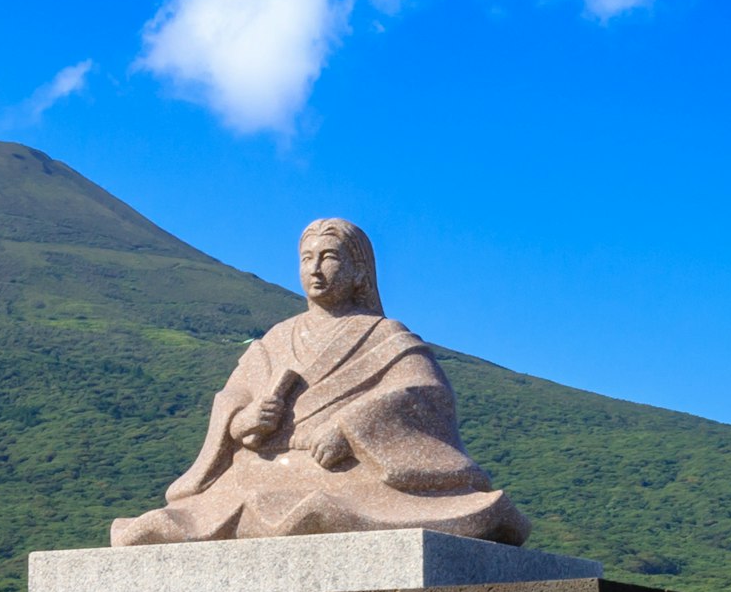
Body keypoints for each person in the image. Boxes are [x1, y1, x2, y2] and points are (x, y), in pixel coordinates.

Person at [114, 218, 527, 546]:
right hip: (257, 472)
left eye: (329, 257)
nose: (315, 268)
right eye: (306, 257)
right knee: (164, 526)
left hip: (340, 475)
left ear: (359, 273)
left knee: (340, 510)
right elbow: (233, 397)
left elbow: (426, 395)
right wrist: (243, 421)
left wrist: (351, 428)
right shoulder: (276, 338)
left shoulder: (384, 336)